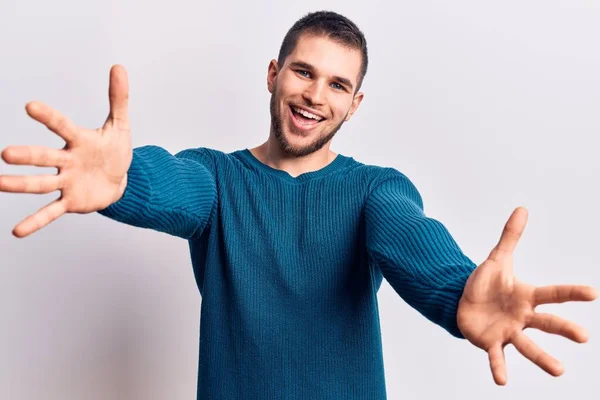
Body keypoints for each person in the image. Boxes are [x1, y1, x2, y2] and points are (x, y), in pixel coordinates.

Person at [1, 10, 596, 400]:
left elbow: (413, 240)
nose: (315, 96)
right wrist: (126, 181)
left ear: (355, 104)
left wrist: (459, 291)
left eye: (337, 85)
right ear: (273, 74)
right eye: (303, 73)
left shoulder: (374, 190)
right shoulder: (218, 179)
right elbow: (175, 184)